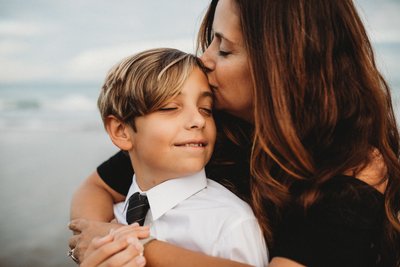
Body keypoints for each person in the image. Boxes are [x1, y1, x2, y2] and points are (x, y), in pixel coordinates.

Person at [69, 0, 400, 266]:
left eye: (224, 50)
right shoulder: (215, 129)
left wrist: (130, 245)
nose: (204, 59)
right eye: (211, 40)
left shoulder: (357, 168)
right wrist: (100, 245)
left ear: (285, 65)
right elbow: (97, 187)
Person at [74, 47, 268, 266]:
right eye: (170, 107)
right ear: (121, 131)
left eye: (206, 108)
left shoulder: (230, 224)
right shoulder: (115, 215)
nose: (199, 120)